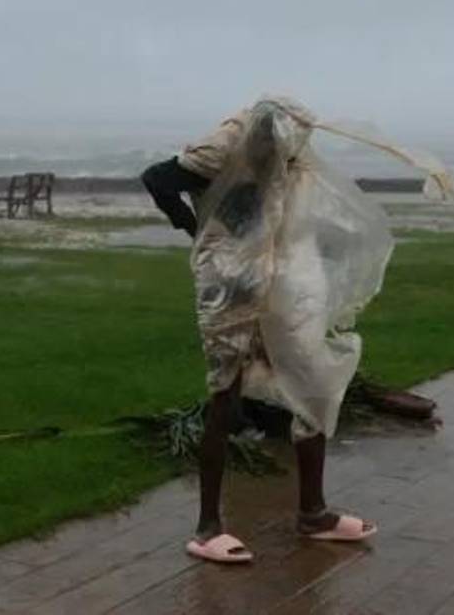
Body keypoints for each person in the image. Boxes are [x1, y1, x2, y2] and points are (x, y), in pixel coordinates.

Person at [142, 100, 377, 565]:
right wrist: (199, 231)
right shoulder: (221, 147)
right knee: (224, 392)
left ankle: (314, 512)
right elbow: (157, 178)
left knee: (311, 383)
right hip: (229, 279)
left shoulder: (291, 151)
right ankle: (208, 526)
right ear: (263, 135)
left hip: (279, 274)